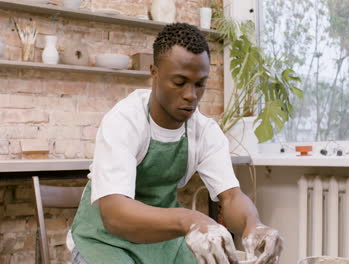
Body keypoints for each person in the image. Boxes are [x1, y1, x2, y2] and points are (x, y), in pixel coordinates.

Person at [70, 22, 283, 264]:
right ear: (154, 72)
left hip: (163, 243)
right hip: (106, 241)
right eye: (180, 82)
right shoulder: (125, 121)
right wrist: (190, 220)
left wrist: (253, 226)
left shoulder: (205, 132)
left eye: (200, 84)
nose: (191, 95)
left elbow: (232, 197)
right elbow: (114, 214)